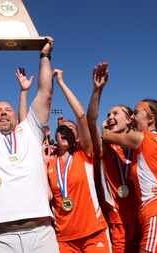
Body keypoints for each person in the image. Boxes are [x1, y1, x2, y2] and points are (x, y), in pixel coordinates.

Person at [0, 39, 59, 252]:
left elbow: (45, 94)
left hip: (41, 233)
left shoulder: (30, 130)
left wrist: (44, 57)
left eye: (8, 109)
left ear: (16, 115)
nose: (4, 112)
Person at [103, 99, 157, 252]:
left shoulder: (144, 138)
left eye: (136, 113)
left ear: (151, 119)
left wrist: (106, 125)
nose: (132, 117)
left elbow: (106, 135)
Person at [47, 69, 111, 253]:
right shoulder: (49, 163)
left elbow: (82, 117)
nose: (66, 132)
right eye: (62, 130)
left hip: (93, 232)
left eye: (71, 130)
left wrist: (60, 83)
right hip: (64, 238)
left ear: (77, 137)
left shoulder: (85, 155)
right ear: (56, 136)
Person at [87, 62, 139, 252]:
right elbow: (91, 119)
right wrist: (97, 91)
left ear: (130, 119)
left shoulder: (140, 145)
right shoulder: (103, 146)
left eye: (116, 113)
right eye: (108, 114)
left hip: (143, 217)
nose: (110, 117)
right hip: (118, 222)